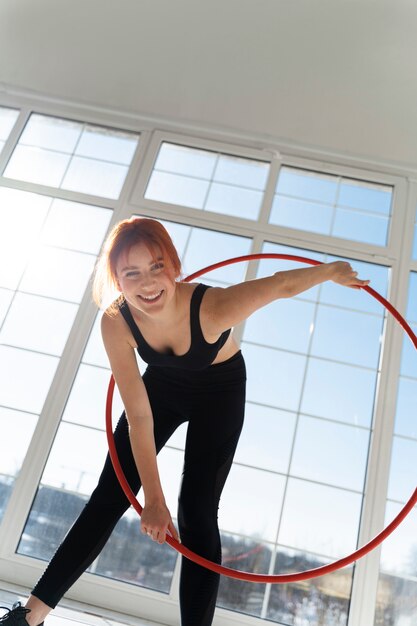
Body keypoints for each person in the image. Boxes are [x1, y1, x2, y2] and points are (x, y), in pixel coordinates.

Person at [1, 217, 370, 626]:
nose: (148, 283)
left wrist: (333, 272)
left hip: (220, 391)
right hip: (161, 388)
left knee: (196, 511)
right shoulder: (114, 321)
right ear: (117, 280)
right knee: (111, 493)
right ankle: (30, 615)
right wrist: (153, 501)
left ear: (174, 266)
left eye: (157, 266)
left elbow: (280, 285)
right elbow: (139, 417)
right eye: (132, 273)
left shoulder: (213, 308)